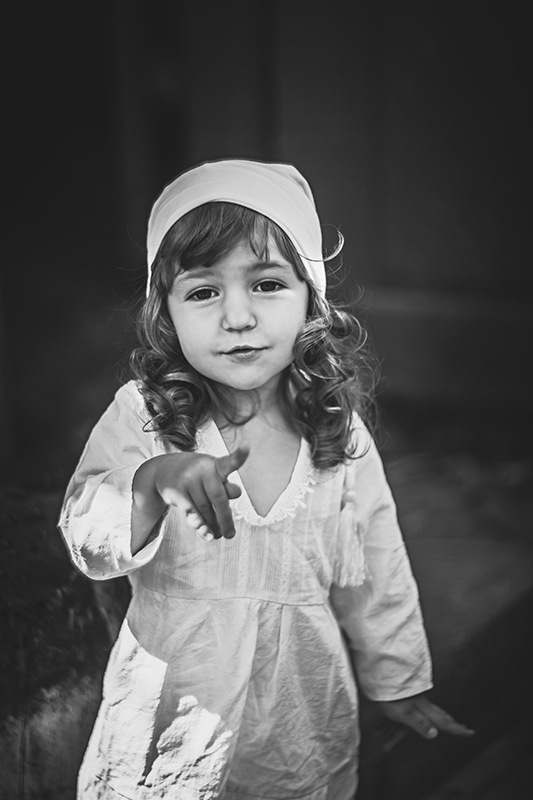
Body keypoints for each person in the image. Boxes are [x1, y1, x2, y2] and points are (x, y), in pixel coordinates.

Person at [59, 159, 474, 800]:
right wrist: (152, 483)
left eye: (268, 284)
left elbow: (375, 567)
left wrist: (396, 681)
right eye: (203, 292)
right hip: (175, 719)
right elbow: (88, 531)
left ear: (312, 299)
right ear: (166, 315)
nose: (237, 316)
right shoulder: (148, 416)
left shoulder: (336, 433)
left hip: (299, 721)